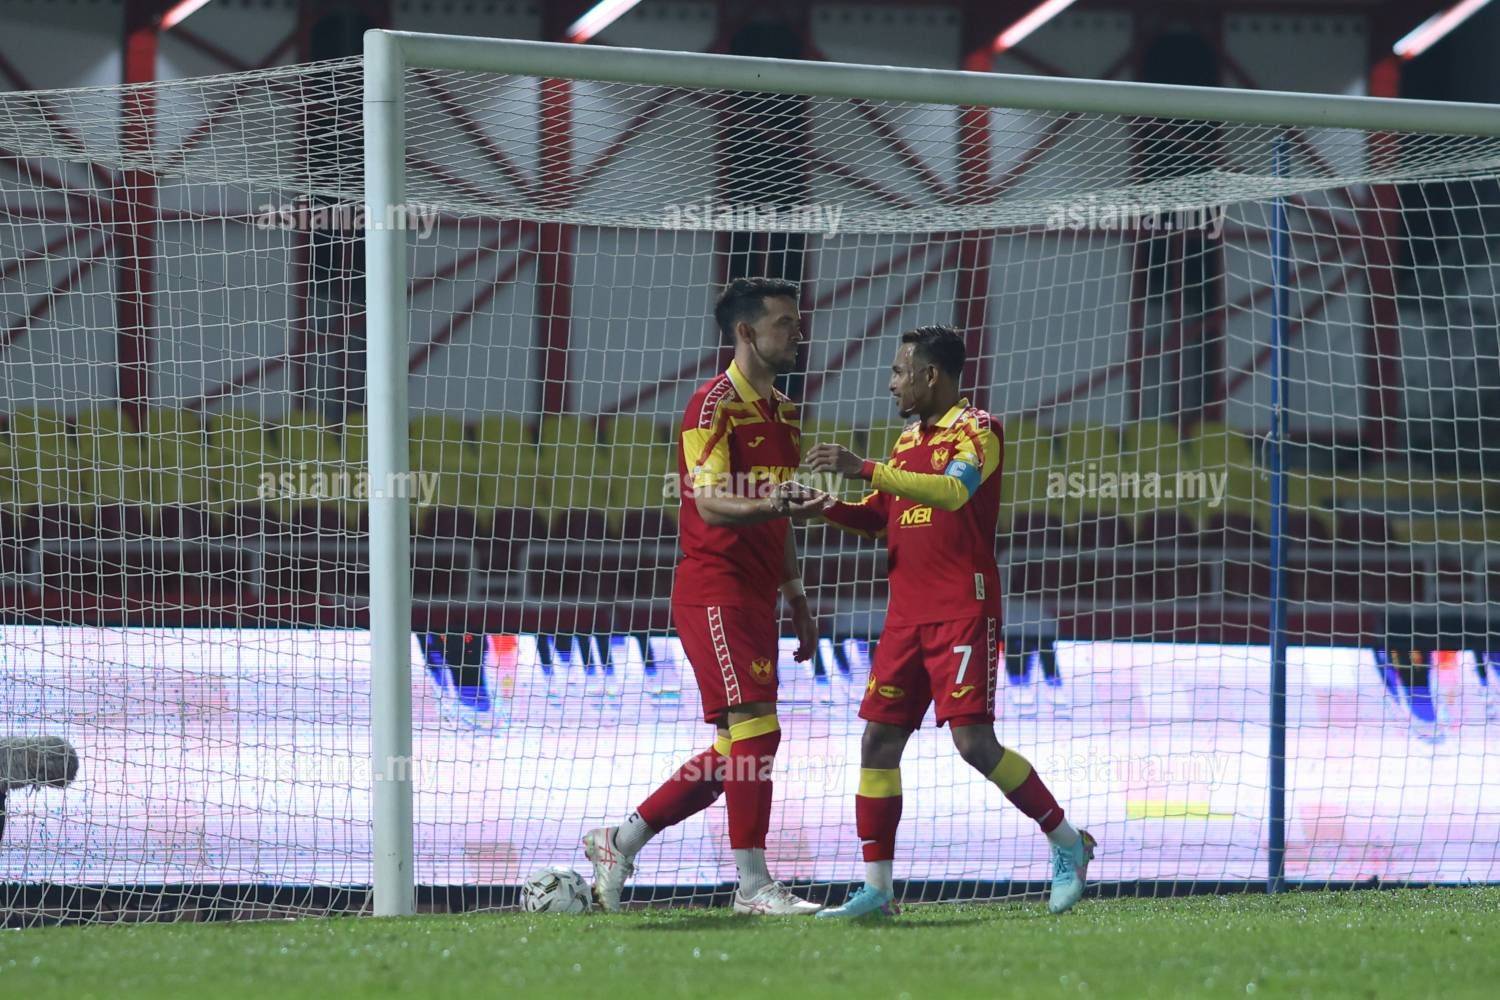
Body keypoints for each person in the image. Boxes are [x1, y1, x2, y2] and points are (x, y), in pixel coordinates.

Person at [802, 325, 1094, 919]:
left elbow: (954, 493)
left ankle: (1067, 841)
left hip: (962, 608)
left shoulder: (979, 429)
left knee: (973, 743)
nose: (891, 384)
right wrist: (821, 504)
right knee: (878, 740)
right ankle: (878, 891)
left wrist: (865, 467)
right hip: (905, 616)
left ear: (930, 375)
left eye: (898, 371)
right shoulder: (907, 439)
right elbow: (878, 518)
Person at [582, 277, 825, 915]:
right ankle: (753, 886)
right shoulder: (710, 406)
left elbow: (780, 512)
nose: (797, 333)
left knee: (733, 750)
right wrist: (775, 504)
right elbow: (711, 501)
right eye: (784, 323)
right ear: (745, 332)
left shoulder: (786, 411)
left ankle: (619, 840)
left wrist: (797, 594)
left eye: (797, 322)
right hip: (715, 589)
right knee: (757, 732)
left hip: (759, 594)